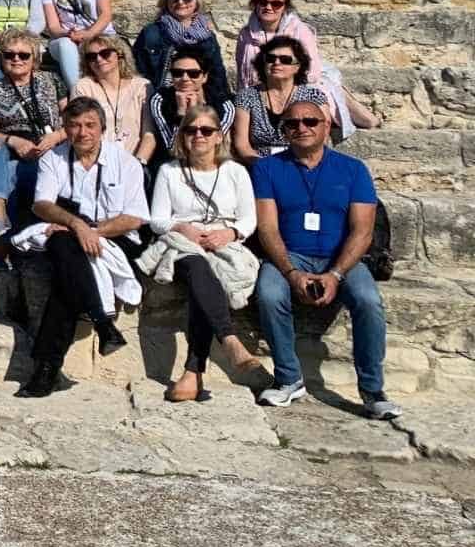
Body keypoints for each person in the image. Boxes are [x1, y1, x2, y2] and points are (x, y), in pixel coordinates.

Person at [251, 97, 399, 419]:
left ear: (327, 126)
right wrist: (291, 272)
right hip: (289, 255)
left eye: (310, 122)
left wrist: (335, 275)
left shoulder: (353, 170)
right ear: (284, 131)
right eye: (291, 124)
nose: (301, 128)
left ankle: (373, 391)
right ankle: (289, 378)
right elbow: (267, 228)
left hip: (340, 257)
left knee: (368, 300)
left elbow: (362, 232)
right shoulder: (267, 168)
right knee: (269, 293)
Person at [14, 99, 149, 398]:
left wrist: (94, 232)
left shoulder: (125, 163)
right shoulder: (54, 159)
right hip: (70, 235)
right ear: (65, 128)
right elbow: (42, 203)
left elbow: (135, 217)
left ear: (103, 128)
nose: (82, 132)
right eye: (74, 125)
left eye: (90, 125)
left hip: (114, 237)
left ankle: (46, 369)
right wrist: (78, 226)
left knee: (65, 282)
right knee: (63, 243)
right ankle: (103, 325)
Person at [140, 105, 263, 403]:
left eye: (206, 130)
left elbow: (248, 219)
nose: (199, 136)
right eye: (191, 130)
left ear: (219, 136)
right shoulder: (169, 171)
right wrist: (184, 228)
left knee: (204, 281)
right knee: (196, 265)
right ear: (182, 136)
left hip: (224, 244)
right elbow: (157, 220)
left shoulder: (235, 172)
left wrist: (228, 234)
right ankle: (229, 339)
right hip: (182, 244)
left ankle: (193, 372)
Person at [0, 31, 67, 269]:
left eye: (24, 55)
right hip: (11, 146)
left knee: (23, 176)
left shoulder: (52, 80)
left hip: (48, 146)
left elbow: (72, 123)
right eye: (10, 54)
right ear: (1, 58)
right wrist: (13, 140)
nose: (17, 59)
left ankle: (2, 248)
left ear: (34, 58)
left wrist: (55, 136)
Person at [235, 0, 378, 133]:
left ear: (284, 8)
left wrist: (284, 83)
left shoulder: (300, 31)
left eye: (276, 4)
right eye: (263, 2)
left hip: (293, 88)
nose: (268, 7)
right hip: (259, 91)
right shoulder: (246, 34)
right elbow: (241, 70)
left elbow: (313, 71)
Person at [232, 35, 332, 163]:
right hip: (258, 165)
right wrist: (266, 168)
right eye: (270, 58)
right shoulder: (247, 97)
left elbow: (321, 139)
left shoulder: (314, 97)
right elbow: (242, 145)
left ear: (297, 67)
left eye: (285, 59)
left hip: (302, 163)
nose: (277, 63)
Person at [143, 49, 237, 177]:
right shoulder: (160, 100)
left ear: (204, 77)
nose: (185, 78)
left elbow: (210, 145)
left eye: (193, 74)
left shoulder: (224, 105)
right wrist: (182, 113)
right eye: (177, 73)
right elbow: (174, 150)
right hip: (172, 167)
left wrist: (194, 113)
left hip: (211, 166)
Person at [132, 0, 229, 93]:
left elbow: (218, 74)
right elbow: (137, 71)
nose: (180, 2)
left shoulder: (208, 36)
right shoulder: (151, 33)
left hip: (200, 101)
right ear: (166, 2)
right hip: (162, 99)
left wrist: (221, 100)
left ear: (196, 1)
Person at [71, 34, 152, 159]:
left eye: (105, 53)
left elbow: (149, 134)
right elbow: (82, 133)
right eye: (91, 57)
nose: (99, 59)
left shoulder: (142, 86)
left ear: (119, 54)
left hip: (135, 161)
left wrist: (138, 166)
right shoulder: (83, 87)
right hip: (97, 162)